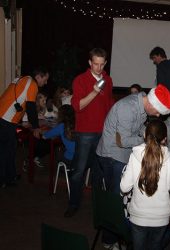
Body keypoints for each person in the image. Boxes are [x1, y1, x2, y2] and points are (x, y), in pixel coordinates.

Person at [96, 84, 170, 249]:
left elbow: (138, 129)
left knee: (123, 198)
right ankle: (109, 241)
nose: (158, 115)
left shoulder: (141, 105)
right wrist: (148, 140)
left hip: (122, 155)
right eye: (158, 112)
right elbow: (122, 141)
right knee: (116, 200)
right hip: (112, 156)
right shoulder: (127, 108)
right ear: (152, 104)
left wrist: (147, 133)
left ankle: (120, 237)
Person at [64, 48, 114, 218]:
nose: (98, 68)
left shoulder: (108, 80)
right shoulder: (80, 80)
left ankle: (98, 205)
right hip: (85, 133)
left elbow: (108, 105)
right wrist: (94, 91)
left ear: (105, 63)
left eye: (101, 65)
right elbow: (77, 106)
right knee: (79, 170)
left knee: (99, 172)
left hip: (102, 133)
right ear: (89, 63)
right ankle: (73, 204)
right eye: (95, 64)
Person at [120, 120, 170, 250]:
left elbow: (124, 187)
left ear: (144, 135)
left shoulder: (134, 156)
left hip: (138, 216)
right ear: (165, 139)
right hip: (161, 218)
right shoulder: (169, 159)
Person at [0, 67, 49, 188]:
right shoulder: (32, 84)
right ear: (38, 77)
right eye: (45, 79)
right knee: (6, 151)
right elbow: (31, 107)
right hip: (6, 120)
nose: (46, 82)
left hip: (4, 117)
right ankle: (4, 180)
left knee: (9, 149)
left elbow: (15, 99)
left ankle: (10, 176)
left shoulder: (22, 79)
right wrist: (36, 127)